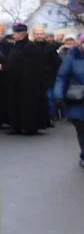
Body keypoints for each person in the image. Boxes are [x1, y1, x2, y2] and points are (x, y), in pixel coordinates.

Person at [4, 23, 50, 135]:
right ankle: (16, 126)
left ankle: (30, 127)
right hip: (15, 82)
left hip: (29, 84)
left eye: (15, 33)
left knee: (29, 106)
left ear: (21, 34)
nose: (13, 35)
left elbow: (34, 66)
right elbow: (12, 62)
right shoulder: (16, 46)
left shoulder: (31, 47)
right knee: (15, 105)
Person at [54, 33, 84, 169]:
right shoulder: (72, 57)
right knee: (82, 130)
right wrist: (58, 95)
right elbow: (62, 77)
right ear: (81, 43)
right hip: (78, 99)